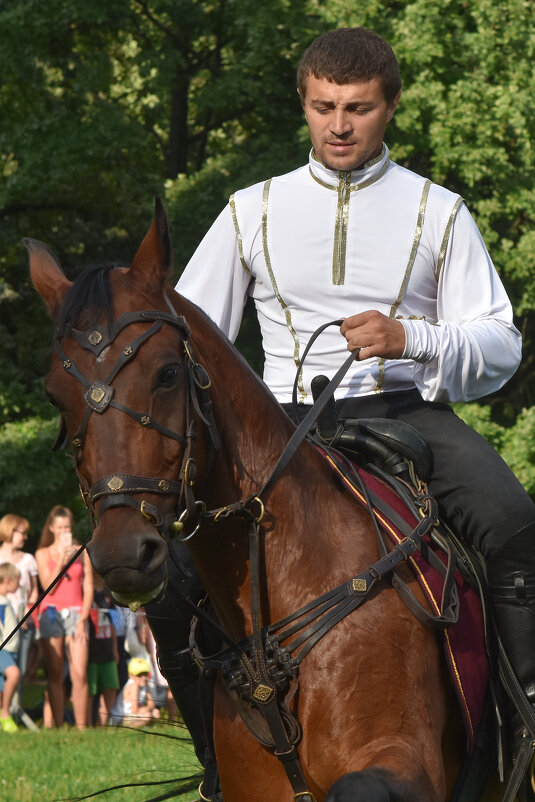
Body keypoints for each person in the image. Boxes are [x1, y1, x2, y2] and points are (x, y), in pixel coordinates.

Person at [177, 26, 535, 776]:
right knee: (166, 565)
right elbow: (189, 334)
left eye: (358, 108)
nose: (338, 125)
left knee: (511, 520)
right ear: (302, 104)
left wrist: (412, 338)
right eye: (323, 106)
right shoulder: (252, 209)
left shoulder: (438, 210)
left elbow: (500, 345)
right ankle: (212, 749)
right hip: (272, 430)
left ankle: (519, 723)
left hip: (404, 415)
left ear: (390, 106)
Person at [35, 505, 93, 729]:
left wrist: (83, 618)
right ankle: (58, 725)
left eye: (67, 527)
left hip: (77, 613)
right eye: (59, 527)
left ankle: (81, 727)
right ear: (51, 528)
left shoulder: (82, 551)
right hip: (51, 613)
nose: (63, 531)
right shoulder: (42, 553)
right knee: (55, 671)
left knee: (79, 673)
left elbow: (88, 586)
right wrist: (60, 557)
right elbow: (48, 588)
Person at [0, 514, 39, 708]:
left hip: (23, 624)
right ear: (10, 531)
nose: (25, 538)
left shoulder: (28, 560)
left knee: (20, 670)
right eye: (22, 533)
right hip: (2, 625)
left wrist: (27, 617)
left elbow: (34, 594)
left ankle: (14, 712)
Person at [87, 571, 120, 726]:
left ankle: (102, 724)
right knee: (90, 689)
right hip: (90, 649)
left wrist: (115, 649)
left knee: (111, 686)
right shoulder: (86, 590)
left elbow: (113, 624)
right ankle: (86, 724)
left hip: (107, 647)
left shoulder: (108, 594)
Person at [0, 563, 21, 732]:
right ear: (8, 581)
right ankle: (5, 713)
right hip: (3, 650)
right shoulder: (1, 602)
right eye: (17, 581)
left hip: (10, 650)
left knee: (1, 686)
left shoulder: (5, 601)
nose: (19, 585)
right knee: (13, 674)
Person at [109, 656, 159, 727]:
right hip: (120, 718)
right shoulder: (133, 686)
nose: (143, 678)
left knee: (155, 713)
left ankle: (143, 729)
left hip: (132, 715)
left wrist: (149, 710)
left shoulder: (145, 685)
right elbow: (135, 710)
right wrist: (148, 710)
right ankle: (128, 729)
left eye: (145, 674)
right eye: (139, 675)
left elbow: (152, 704)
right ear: (131, 676)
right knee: (148, 715)